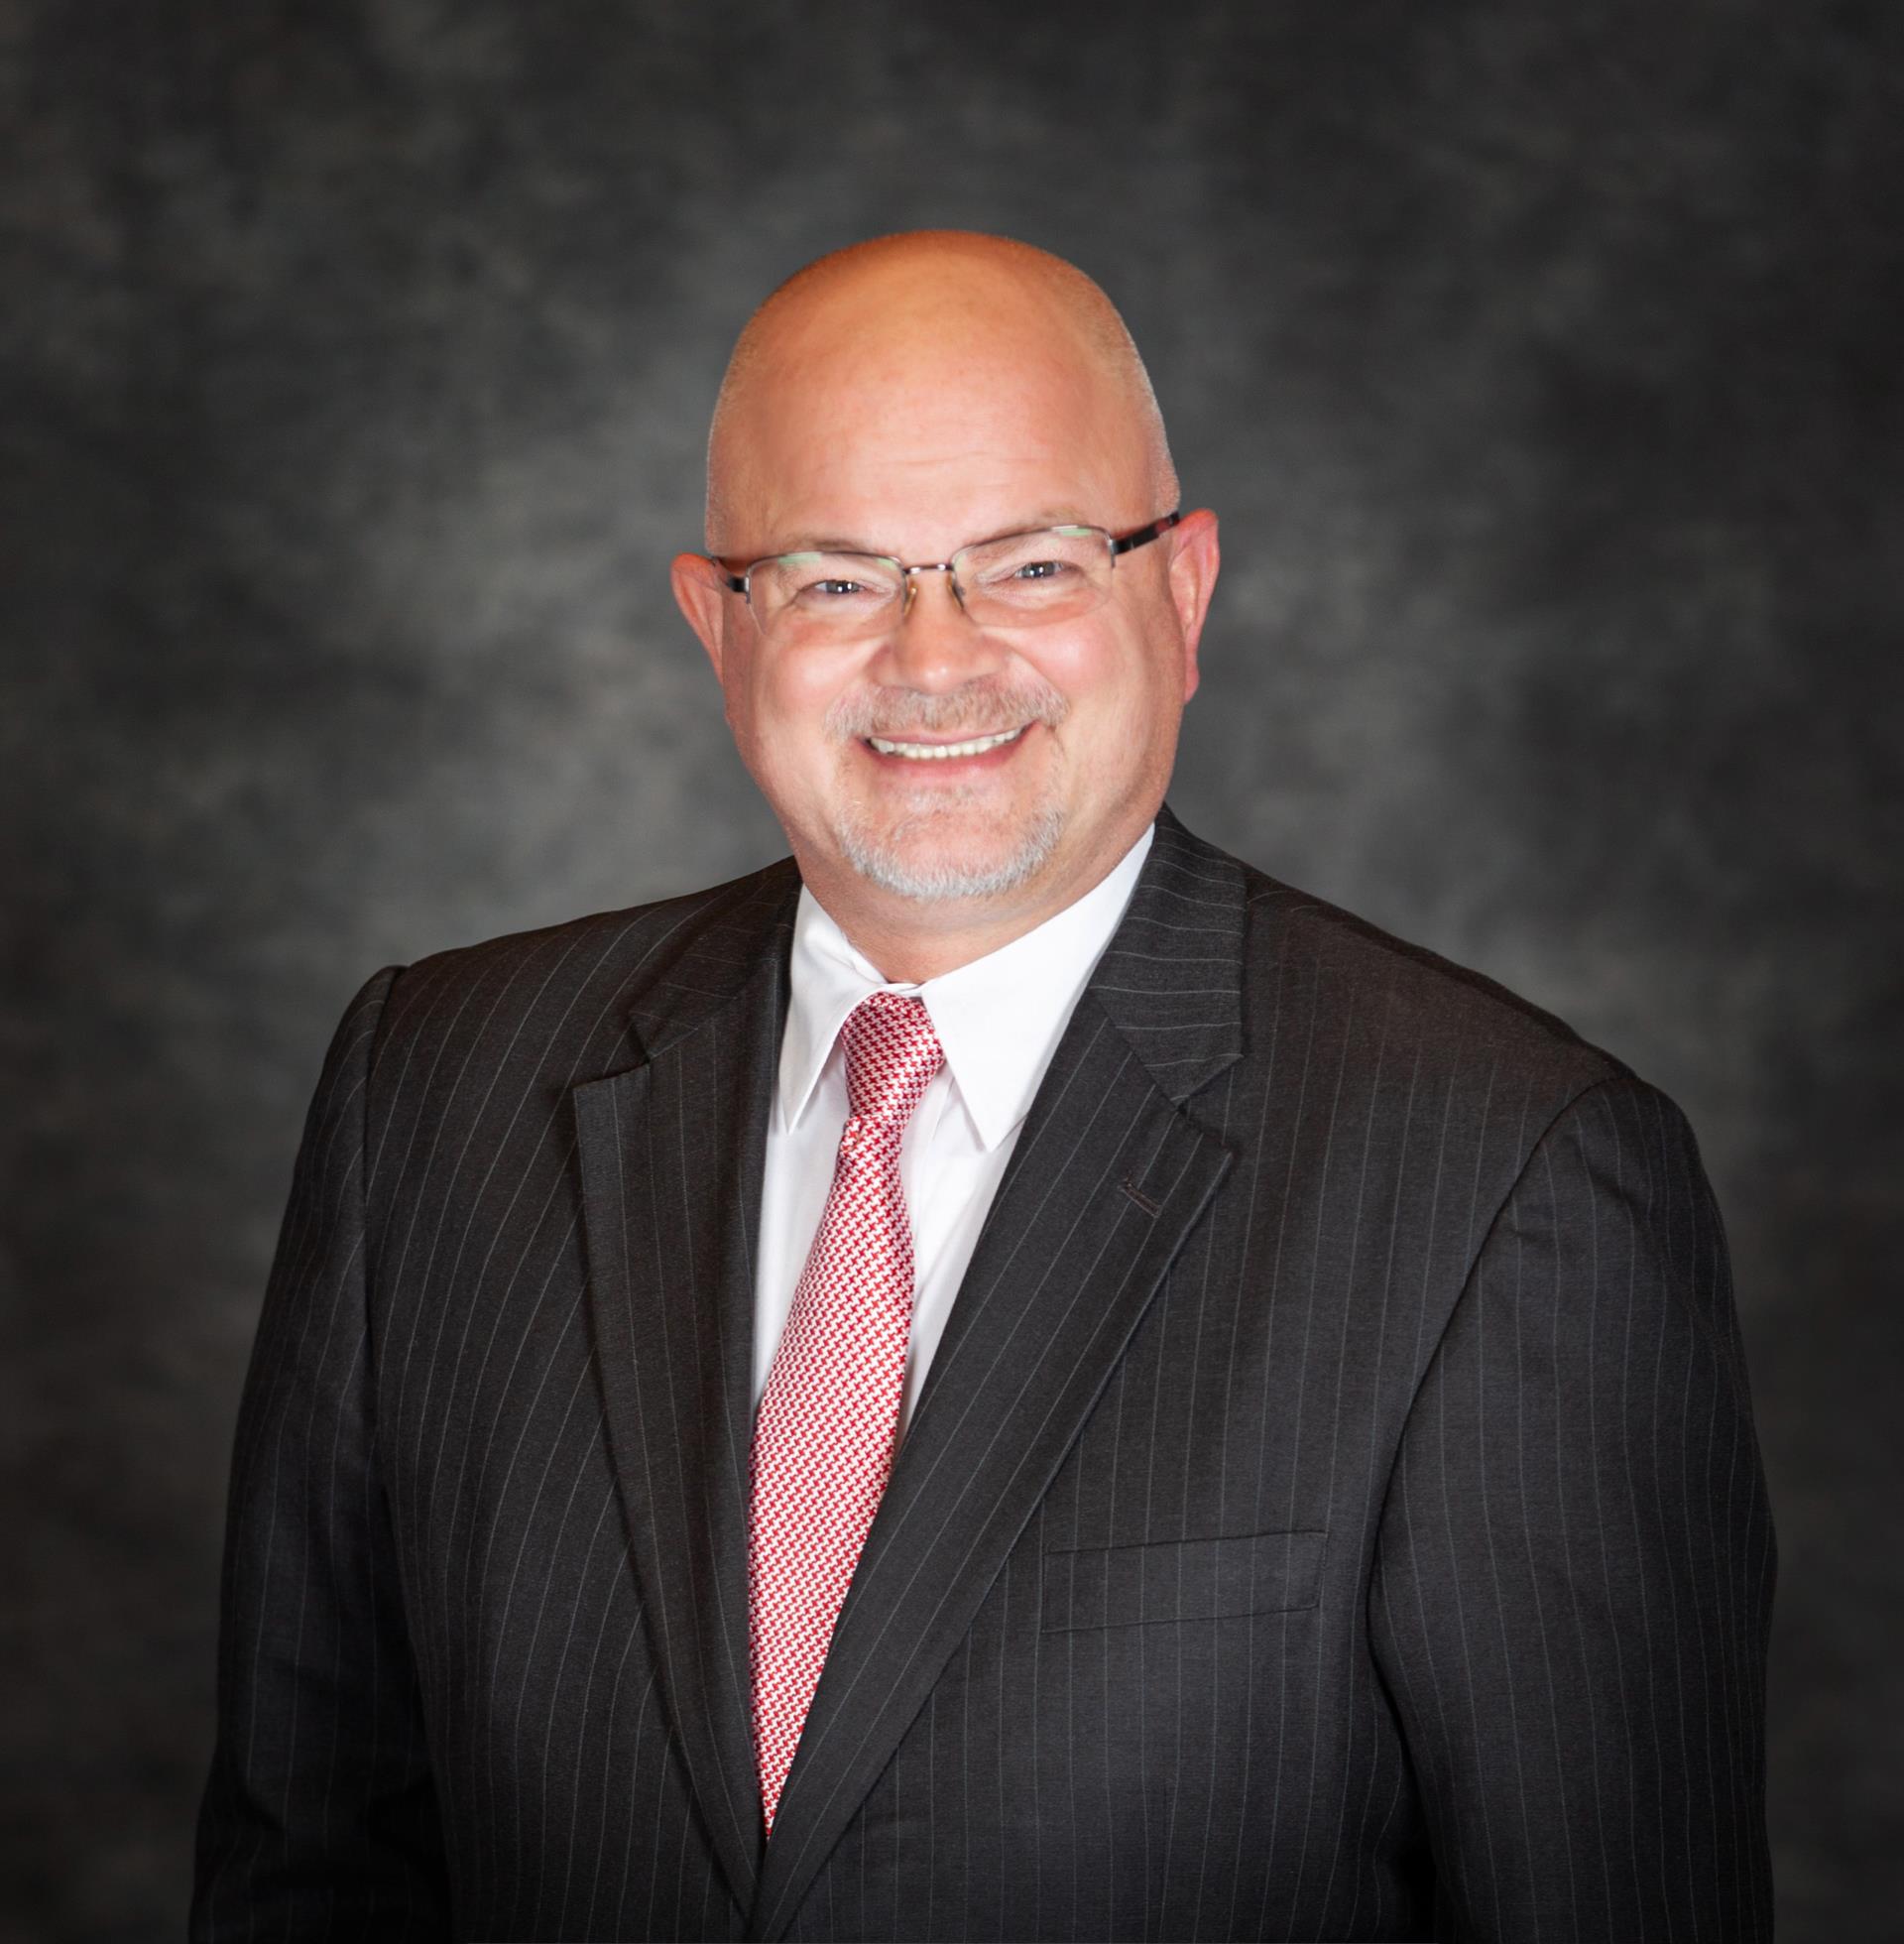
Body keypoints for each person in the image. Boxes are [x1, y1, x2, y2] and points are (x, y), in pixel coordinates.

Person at [191, 231, 1775, 1942]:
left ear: (1183, 594)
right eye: (835, 576)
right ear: (713, 623)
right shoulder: (433, 1093)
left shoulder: (1512, 1178)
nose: (935, 663)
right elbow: (314, 1861)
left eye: (1032, 565)